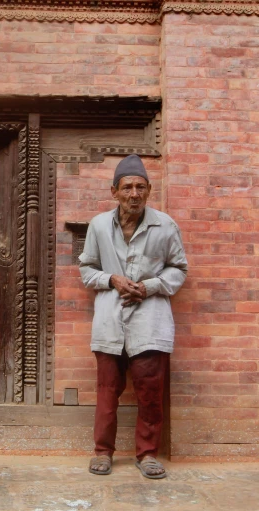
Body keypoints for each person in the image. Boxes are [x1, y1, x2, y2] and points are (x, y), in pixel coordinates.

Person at [79, 154, 188, 479]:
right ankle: (103, 452)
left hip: (150, 320)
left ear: (149, 190)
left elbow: (179, 268)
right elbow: (86, 268)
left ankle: (148, 454)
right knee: (106, 390)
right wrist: (112, 279)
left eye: (140, 187)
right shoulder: (99, 225)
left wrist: (151, 286)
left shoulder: (165, 225)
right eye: (127, 187)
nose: (134, 194)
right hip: (110, 320)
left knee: (150, 393)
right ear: (114, 191)